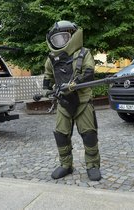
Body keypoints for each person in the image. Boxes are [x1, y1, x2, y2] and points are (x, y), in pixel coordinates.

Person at [43, 20, 101, 181]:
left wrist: (75, 84)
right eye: (56, 40)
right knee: (60, 134)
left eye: (63, 38)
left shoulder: (84, 53)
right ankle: (65, 165)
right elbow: (48, 76)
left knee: (89, 134)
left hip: (82, 101)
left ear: (73, 35)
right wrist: (48, 88)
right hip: (63, 103)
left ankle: (93, 165)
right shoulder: (52, 59)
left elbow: (89, 72)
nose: (60, 42)